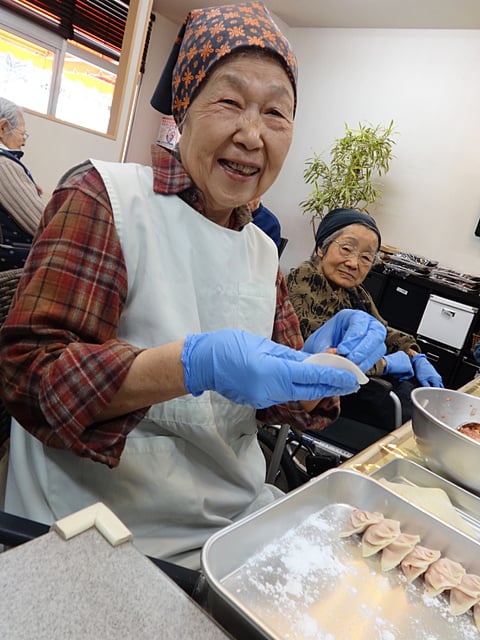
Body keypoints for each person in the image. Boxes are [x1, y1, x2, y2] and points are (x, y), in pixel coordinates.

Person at [0, 3, 387, 569]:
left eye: (276, 113)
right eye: (229, 101)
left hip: (229, 526)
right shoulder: (105, 198)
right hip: (93, 528)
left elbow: (286, 402)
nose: (252, 134)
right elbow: (29, 378)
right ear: (184, 107)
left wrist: (328, 363)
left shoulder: (261, 249)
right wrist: (188, 365)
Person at [287, 207, 444, 427]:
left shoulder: (355, 291)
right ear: (321, 247)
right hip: (333, 395)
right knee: (422, 420)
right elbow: (326, 360)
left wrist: (415, 355)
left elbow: (381, 330)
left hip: (369, 383)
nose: (353, 263)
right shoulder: (305, 282)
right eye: (346, 249)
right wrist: (385, 364)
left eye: (366, 257)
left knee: (433, 405)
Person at [0, 97, 43, 270]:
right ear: (3, 128)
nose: (23, 142)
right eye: (22, 134)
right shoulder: (3, 164)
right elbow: (44, 225)